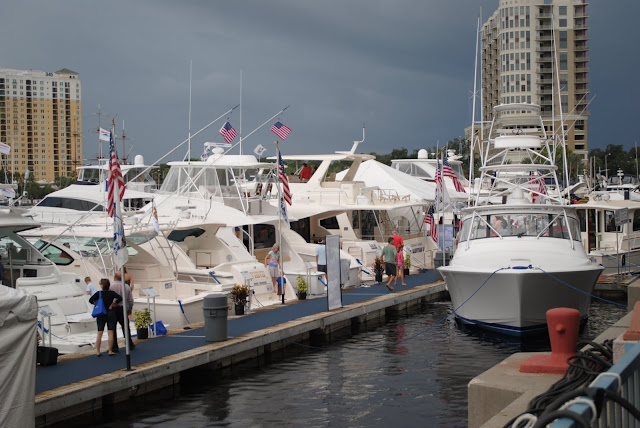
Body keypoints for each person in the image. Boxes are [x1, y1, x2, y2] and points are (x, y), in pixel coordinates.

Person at [89, 278, 122, 357]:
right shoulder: (112, 293)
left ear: (101, 285)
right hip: (110, 313)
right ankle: (110, 350)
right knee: (110, 332)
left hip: (101, 313)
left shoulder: (99, 293)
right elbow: (120, 298)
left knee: (100, 333)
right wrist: (113, 303)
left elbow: (90, 300)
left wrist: (97, 304)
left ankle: (98, 351)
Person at [110, 272, 135, 352]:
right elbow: (130, 299)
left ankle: (114, 347)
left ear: (114, 277)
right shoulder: (126, 286)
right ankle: (129, 344)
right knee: (125, 327)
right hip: (123, 308)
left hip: (113, 309)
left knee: (113, 328)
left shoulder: (111, 286)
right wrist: (130, 307)